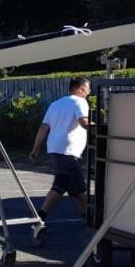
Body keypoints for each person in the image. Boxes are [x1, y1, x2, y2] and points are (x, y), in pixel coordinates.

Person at [29, 76, 92, 224]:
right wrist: (103, 127)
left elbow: (44, 127)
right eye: (88, 90)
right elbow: (84, 122)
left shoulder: (55, 104)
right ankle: (40, 217)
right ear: (80, 89)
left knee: (78, 188)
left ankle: (89, 216)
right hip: (68, 149)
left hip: (55, 148)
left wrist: (35, 149)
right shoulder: (80, 101)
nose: (89, 93)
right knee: (61, 184)